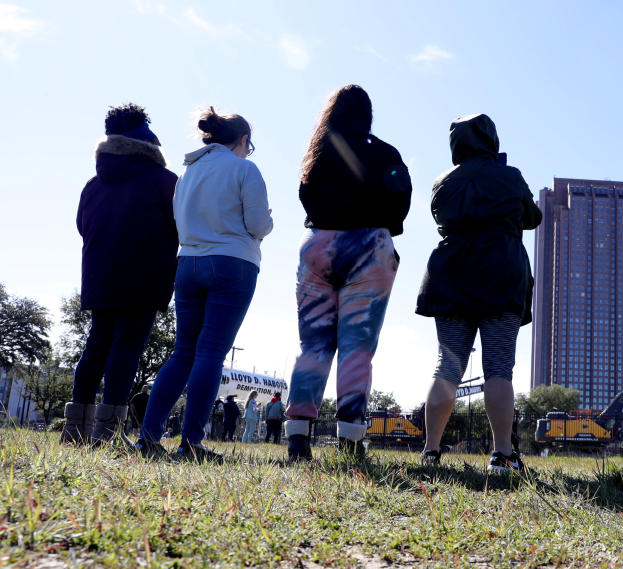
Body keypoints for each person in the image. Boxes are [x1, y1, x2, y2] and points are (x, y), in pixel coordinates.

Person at [136, 107, 273, 461]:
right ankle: (191, 443)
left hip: (188, 263)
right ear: (242, 141)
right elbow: (258, 225)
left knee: (183, 352)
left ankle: (148, 438)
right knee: (211, 352)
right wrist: (268, 224)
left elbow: (179, 221)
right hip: (233, 263)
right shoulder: (245, 169)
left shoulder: (187, 173)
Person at [284, 85, 412, 462]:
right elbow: (401, 195)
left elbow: (305, 196)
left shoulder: (317, 153)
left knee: (314, 346)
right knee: (357, 347)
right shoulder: (385, 152)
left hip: (317, 245)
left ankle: (297, 437)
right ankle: (351, 439)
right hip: (369, 247)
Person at [415, 113, 541, 473]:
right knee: (498, 368)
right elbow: (532, 217)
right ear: (492, 140)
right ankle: (503, 455)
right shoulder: (510, 176)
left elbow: (442, 216)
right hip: (502, 276)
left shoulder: (442, 182)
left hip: (452, 276)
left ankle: (431, 452)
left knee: (448, 366)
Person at [61, 104, 178, 446]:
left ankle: (74, 429)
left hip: (100, 275)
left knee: (97, 342)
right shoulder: (165, 181)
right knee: (127, 346)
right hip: (145, 276)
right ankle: (108, 433)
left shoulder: (93, 184)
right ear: (149, 141)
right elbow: (181, 227)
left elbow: (82, 226)